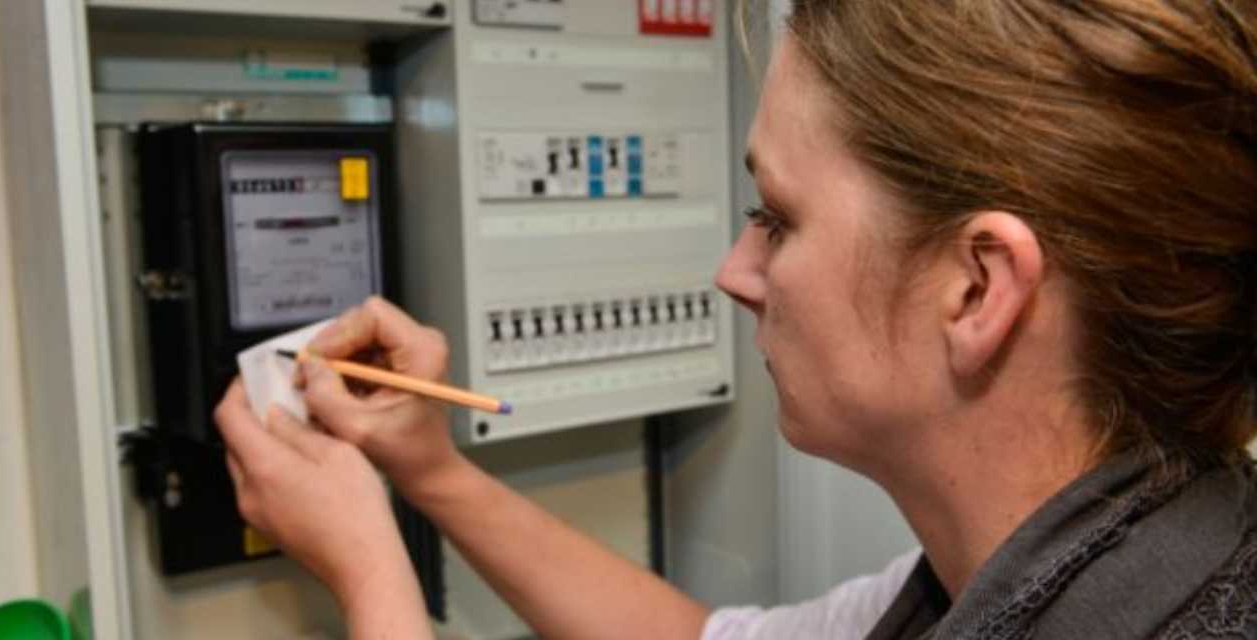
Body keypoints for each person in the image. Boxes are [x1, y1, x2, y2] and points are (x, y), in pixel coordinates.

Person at [214, 0, 1257, 638]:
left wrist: (370, 574)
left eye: (777, 218)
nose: (735, 271)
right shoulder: (1107, 554)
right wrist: (431, 472)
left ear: (977, 288)